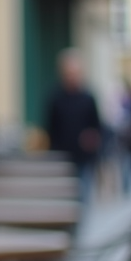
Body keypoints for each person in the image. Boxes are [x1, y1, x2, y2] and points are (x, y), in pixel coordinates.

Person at [44, 48, 102, 202]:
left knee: (83, 196)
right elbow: (49, 127)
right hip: (61, 156)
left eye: (75, 73)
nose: (72, 77)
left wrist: (91, 138)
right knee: (63, 197)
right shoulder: (55, 97)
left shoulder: (88, 97)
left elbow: (96, 126)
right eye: (69, 73)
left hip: (83, 156)